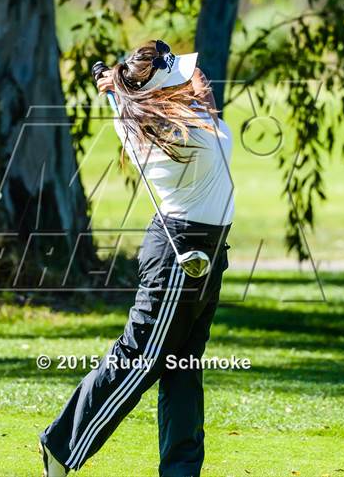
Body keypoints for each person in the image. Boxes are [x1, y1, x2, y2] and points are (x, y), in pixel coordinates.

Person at [40, 40, 234, 476]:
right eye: (179, 77)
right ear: (162, 90)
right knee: (139, 360)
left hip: (205, 251)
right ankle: (61, 444)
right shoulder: (172, 129)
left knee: (183, 367)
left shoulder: (151, 115)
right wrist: (124, 84)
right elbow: (201, 93)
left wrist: (120, 84)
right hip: (180, 252)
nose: (193, 79)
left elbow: (195, 93)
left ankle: (181, 471)